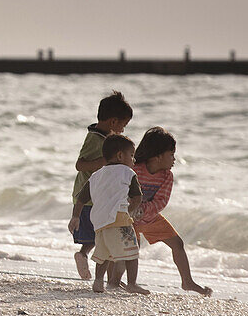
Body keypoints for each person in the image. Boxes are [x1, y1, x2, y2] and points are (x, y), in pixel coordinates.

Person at [131, 126, 212, 296]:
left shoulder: (167, 175)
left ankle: (187, 281)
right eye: (171, 154)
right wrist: (132, 209)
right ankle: (121, 281)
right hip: (129, 218)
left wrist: (143, 210)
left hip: (150, 217)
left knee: (178, 244)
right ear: (158, 156)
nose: (174, 159)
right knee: (129, 248)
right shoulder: (134, 169)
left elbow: (161, 201)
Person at [69, 134, 149, 294]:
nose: (133, 160)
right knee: (132, 251)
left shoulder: (96, 175)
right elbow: (137, 196)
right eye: (131, 155)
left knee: (103, 253)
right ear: (120, 155)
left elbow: (81, 198)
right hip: (119, 219)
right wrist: (131, 211)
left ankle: (98, 282)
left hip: (99, 222)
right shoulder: (127, 172)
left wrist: (75, 217)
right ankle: (132, 283)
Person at [71, 91, 133, 279]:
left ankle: (95, 265)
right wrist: (104, 162)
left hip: (99, 197)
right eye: (123, 125)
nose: (122, 130)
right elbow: (80, 165)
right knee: (99, 235)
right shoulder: (94, 138)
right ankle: (85, 257)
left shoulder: (106, 139)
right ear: (113, 122)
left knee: (102, 235)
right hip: (89, 198)